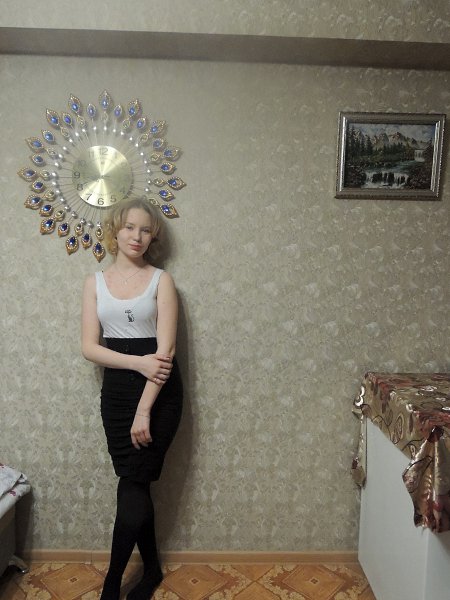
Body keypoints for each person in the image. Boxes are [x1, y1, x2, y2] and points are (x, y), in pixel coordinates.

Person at [81, 197, 183, 600]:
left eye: (145, 229)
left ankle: (111, 586)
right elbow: (90, 347)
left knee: (134, 483)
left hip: (159, 393)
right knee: (134, 482)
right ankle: (151, 569)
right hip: (118, 393)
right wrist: (136, 363)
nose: (137, 236)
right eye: (129, 228)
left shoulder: (162, 281)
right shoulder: (94, 283)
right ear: (115, 231)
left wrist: (144, 409)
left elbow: (165, 352)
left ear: (152, 235)